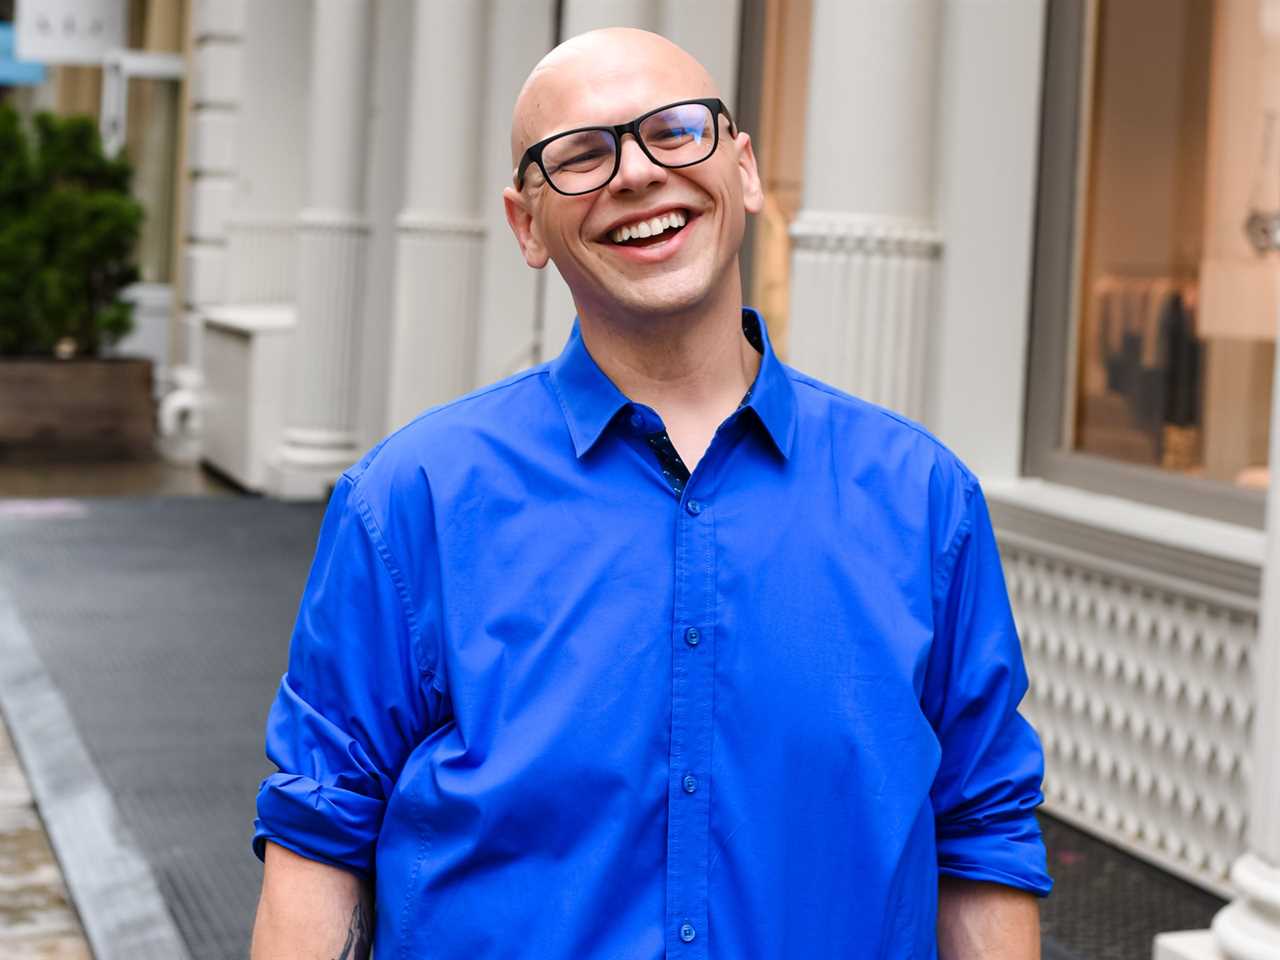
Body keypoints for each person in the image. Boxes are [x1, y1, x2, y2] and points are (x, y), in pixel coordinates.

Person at [249, 27, 1052, 959]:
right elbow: (319, 831)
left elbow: (982, 835)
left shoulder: (923, 502)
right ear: (526, 225)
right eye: (582, 155)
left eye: (676, 132)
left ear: (743, 170)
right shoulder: (412, 499)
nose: (637, 174)